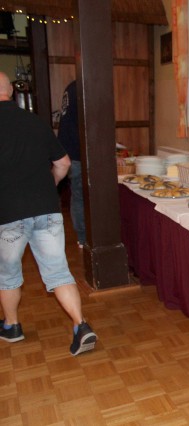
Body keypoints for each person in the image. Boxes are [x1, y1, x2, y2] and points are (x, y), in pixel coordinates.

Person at [0, 71, 97, 356]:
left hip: (8, 213)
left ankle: (12, 326)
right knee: (58, 271)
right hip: (46, 209)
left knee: (7, 274)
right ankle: (81, 326)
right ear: (13, 93)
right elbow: (64, 163)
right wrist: (50, 186)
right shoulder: (34, 122)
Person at [58, 80, 86, 248]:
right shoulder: (83, 88)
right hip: (78, 152)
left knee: (78, 196)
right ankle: (84, 237)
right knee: (81, 196)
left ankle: (82, 237)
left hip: (67, 150)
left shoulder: (71, 87)